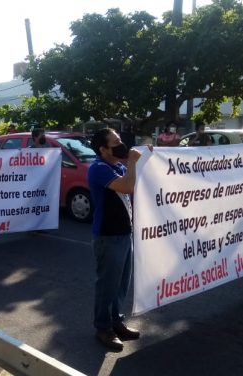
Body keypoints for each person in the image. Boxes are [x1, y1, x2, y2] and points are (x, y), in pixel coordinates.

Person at [88, 128, 147, 351]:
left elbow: (138, 180)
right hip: (108, 237)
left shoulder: (118, 166)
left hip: (124, 234)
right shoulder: (99, 169)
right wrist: (132, 161)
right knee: (107, 285)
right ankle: (103, 327)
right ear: (103, 149)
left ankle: (116, 321)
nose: (121, 144)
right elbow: (127, 186)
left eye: (120, 140)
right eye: (116, 142)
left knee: (121, 284)